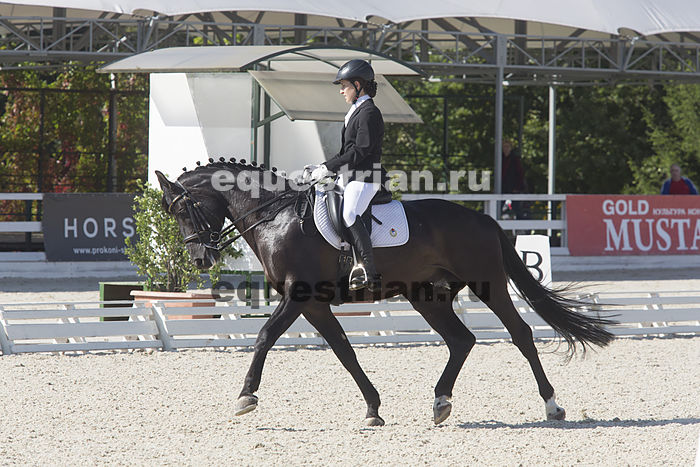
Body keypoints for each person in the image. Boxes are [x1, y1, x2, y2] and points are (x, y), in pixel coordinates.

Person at [308, 59, 386, 292]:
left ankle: (368, 270)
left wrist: (329, 167)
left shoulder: (369, 112)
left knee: (350, 213)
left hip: (366, 177)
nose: (341, 91)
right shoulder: (356, 111)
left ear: (358, 85)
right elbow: (346, 151)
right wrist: (324, 167)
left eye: (345, 86)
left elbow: (360, 150)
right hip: (351, 176)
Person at [501, 140, 528, 219]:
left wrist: (518, 187)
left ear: (510, 148)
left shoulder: (515, 159)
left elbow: (520, 174)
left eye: (507, 147)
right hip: (503, 187)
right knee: (499, 206)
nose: (506, 149)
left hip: (513, 187)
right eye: (504, 147)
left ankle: (520, 223)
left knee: (516, 208)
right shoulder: (500, 159)